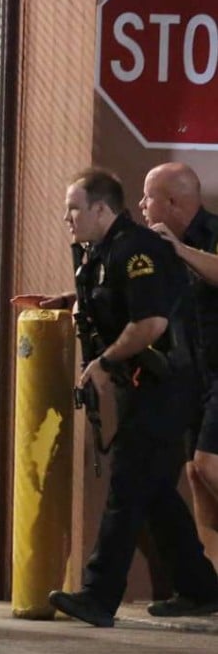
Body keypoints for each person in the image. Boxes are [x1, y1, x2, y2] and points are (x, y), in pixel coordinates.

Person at [43, 168, 218, 627]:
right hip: (144, 387)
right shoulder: (99, 255)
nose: (68, 218)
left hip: (165, 387)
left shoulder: (137, 250)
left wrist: (101, 363)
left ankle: (99, 595)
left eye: (75, 209)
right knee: (156, 492)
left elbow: (151, 324)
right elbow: (113, 305)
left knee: (127, 486)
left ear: (102, 209)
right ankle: (201, 587)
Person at [142, 162, 218, 573]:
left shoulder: (210, 235)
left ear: (171, 202)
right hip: (192, 375)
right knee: (194, 474)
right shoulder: (159, 246)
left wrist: (180, 251)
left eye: (148, 196)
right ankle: (213, 584)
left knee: (210, 465)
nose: (141, 204)